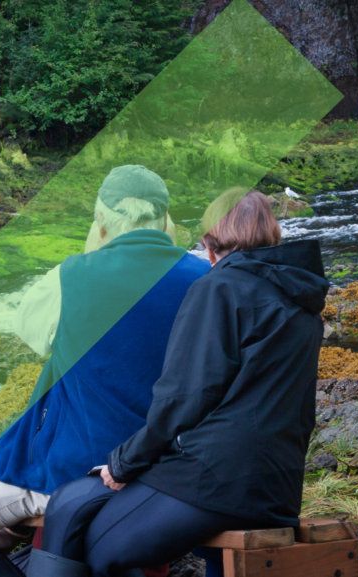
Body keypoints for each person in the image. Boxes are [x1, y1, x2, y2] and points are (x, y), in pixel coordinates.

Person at [0, 165, 211, 577]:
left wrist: (90, 256)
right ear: (166, 220)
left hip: (76, 474)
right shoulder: (208, 280)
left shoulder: (71, 277)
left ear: (100, 220)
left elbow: (36, 336)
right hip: (174, 478)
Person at [29, 188, 330, 577]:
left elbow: (184, 397)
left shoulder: (218, 288)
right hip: (278, 486)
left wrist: (123, 463)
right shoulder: (302, 302)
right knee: (81, 510)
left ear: (209, 244)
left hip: (214, 480)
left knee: (87, 534)